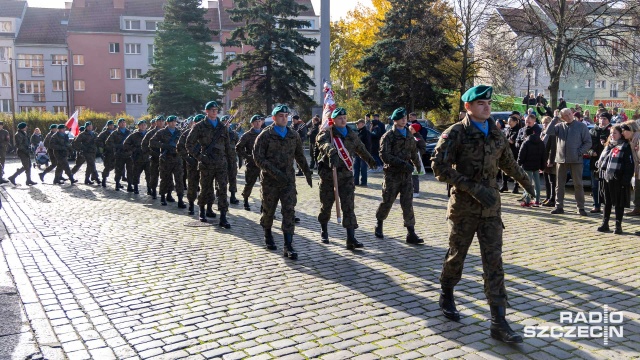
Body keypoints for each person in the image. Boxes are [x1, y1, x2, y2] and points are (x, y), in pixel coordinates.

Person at [431, 85, 535, 344]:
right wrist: (473, 188)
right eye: (480, 104)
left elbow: (508, 162)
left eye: (488, 103)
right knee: (457, 256)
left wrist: (526, 183)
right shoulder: (455, 133)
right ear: (468, 107)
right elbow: (439, 167)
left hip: (491, 209)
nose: (487, 107)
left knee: (494, 263)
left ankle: (499, 322)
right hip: (464, 207)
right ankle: (446, 292)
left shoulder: (496, 134)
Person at [253, 105, 312, 259]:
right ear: (274, 118)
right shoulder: (265, 135)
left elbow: (299, 155)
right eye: (280, 116)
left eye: (286, 115)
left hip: (287, 181)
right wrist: (274, 172)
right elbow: (258, 158)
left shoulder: (293, 135)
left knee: (289, 211)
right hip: (270, 182)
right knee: (269, 210)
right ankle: (268, 235)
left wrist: (307, 171)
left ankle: (288, 245)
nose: (284, 118)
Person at [316, 108, 377, 249]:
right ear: (334, 120)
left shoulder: (351, 134)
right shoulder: (327, 133)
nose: (343, 120)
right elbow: (322, 143)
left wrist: (370, 160)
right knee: (326, 206)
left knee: (349, 206)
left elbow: (360, 149)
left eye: (344, 117)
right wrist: (330, 150)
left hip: (346, 177)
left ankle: (351, 238)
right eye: (339, 118)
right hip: (329, 176)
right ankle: (324, 230)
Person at [373, 107, 423, 244]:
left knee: (407, 203)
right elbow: (384, 155)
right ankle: (379, 224)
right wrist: (402, 163)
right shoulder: (388, 136)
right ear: (395, 120)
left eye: (405, 118)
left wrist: (417, 165)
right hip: (392, 175)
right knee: (387, 201)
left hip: (406, 176)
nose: (404, 120)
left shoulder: (408, 134)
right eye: (401, 118)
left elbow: (413, 152)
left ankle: (411, 233)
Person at [186, 101, 233, 228]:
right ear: (206, 111)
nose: (214, 111)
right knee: (205, 188)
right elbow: (189, 144)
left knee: (222, 189)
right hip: (206, 163)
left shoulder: (222, 127)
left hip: (221, 163)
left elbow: (228, 146)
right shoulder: (200, 126)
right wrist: (200, 157)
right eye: (212, 109)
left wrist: (231, 162)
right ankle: (202, 210)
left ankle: (223, 216)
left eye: (216, 110)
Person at [549, 108, 592, 215]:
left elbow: (588, 142)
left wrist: (579, 152)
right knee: (559, 184)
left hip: (576, 160)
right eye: (565, 115)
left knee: (578, 184)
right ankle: (559, 206)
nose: (569, 116)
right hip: (561, 159)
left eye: (569, 114)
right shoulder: (559, 126)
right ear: (562, 118)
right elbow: (548, 131)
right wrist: (555, 118)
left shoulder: (581, 126)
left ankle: (581, 207)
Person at [596, 124, 633, 234]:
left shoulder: (625, 146)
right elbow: (602, 161)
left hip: (618, 178)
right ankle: (605, 223)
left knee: (618, 203)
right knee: (606, 202)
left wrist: (626, 180)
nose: (612, 135)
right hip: (606, 178)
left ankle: (618, 225)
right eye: (611, 133)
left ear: (620, 134)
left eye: (615, 133)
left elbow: (629, 165)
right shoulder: (608, 146)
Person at [151, 116, 186, 209]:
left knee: (179, 179)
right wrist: (165, 146)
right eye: (171, 122)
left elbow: (185, 143)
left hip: (177, 159)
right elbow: (152, 142)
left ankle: (180, 199)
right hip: (165, 159)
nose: (173, 123)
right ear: (167, 123)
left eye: (174, 122)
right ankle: (163, 197)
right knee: (165, 178)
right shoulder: (161, 132)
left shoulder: (179, 132)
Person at [236, 115, 264, 211]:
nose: (258, 123)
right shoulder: (247, 135)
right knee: (249, 183)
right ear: (252, 123)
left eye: (259, 121)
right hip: (251, 164)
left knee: (265, 185)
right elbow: (238, 148)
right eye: (255, 121)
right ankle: (246, 200)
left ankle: (264, 205)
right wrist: (247, 157)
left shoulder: (265, 134)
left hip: (263, 164)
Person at [178, 115, 204, 215]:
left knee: (206, 186)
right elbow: (180, 147)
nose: (198, 124)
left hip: (205, 163)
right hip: (192, 163)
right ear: (193, 123)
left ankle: (207, 207)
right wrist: (187, 158)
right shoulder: (186, 134)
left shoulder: (208, 134)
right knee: (192, 185)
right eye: (196, 122)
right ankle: (191, 205)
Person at [587, 112, 611, 213]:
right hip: (595, 162)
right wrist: (591, 152)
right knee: (595, 185)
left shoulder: (612, 131)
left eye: (604, 118)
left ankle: (607, 206)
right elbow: (587, 144)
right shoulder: (592, 131)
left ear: (609, 120)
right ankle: (596, 205)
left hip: (608, 163)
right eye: (600, 118)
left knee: (607, 186)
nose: (602, 120)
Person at [517, 127, 546, 206]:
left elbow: (521, 155)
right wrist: (543, 166)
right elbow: (544, 155)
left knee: (527, 183)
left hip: (527, 166)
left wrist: (518, 164)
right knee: (537, 183)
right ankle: (537, 200)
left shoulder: (526, 142)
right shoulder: (541, 142)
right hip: (537, 165)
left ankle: (527, 200)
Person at [123, 120, 150, 195]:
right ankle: (135, 188)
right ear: (138, 126)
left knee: (149, 174)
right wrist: (134, 149)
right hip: (137, 158)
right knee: (136, 174)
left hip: (148, 157)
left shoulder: (149, 134)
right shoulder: (134, 135)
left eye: (144, 125)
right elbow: (125, 144)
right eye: (141, 125)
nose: (143, 126)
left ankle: (149, 189)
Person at [106, 118, 132, 191]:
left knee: (130, 170)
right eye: (121, 123)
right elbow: (108, 142)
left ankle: (130, 185)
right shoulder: (114, 133)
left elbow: (133, 142)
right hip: (119, 154)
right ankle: (117, 184)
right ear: (118, 124)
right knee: (118, 170)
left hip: (129, 154)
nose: (123, 124)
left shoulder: (129, 132)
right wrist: (117, 146)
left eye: (124, 122)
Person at [143, 116, 165, 198]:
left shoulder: (167, 131)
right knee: (154, 175)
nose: (161, 122)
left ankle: (167, 193)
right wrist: (150, 153)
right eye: (159, 121)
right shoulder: (150, 133)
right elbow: (144, 145)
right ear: (156, 122)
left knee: (167, 176)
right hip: (155, 157)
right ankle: (153, 191)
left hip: (166, 158)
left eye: (162, 121)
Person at [622, 121, 640, 216]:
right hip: (637, 169)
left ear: (631, 130)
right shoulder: (632, 139)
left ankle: (637, 208)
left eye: (624, 130)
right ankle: (637, 208)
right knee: (637, 187)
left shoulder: (638, 139)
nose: (622, 133)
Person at [500, 116, 520, 193]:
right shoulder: (508, 129)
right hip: (506, 152)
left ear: (515, 122)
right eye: (508, 121)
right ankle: (504, 185)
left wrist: (504, 139)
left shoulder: (517, 130)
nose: (509, 123)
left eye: (510, 121)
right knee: (503, 169)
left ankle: (516, 186)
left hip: (514, 152)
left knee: (515, 169)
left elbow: (511, 141)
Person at [223, 116, 240, 205]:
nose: (227, 123)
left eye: (228, 121)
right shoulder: (219, 133)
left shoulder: (234, 134)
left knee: (233, 177)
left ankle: (233, 195)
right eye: (225, 121)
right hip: (222, 159)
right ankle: (221, 195)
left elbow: (238, 146)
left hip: (232, 159)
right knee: (222, 178)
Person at [540, 116, 557, 207]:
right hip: (544, 159)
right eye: (544, 122)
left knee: (552, 180)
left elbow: (553, 148)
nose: (545, 124)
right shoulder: (542, 133)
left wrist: (551, 160)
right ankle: (547, 197)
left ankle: (552, 199)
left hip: (551, 160)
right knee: (546, 179)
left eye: (547, 122)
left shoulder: (552, 133)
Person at [409, 123, 427, 198]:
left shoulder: (419, 138)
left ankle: (416, 191)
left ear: (415, 130)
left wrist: (416, 152)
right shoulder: (408, 135)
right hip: (407, 158)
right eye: (409, 128)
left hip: (415, 159)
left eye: (411, 129)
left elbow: (423, 148)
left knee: (414, 176)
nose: (409, 129)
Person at [354, 119, 372, 186]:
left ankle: (363, 182)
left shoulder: (366, 133)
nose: (357, 125)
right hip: (356, 153)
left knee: (363, 169)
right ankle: (355, 181)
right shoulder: (358, 132)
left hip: (363, 154)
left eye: (358, 123)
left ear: (363, 124)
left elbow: (368, 144)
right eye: (357, 123)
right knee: (356, 168)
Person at [98, 120, 116, 188]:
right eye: (110, 125)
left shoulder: (115, 132)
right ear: (107, 126)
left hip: (115, 152)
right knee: (108, 166)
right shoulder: (104, 133)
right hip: (108, 153)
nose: (111, 126)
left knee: (117, 167)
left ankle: (117, 181)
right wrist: (104, 146)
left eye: (112, 125)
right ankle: (104, 179)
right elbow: (98, 140)